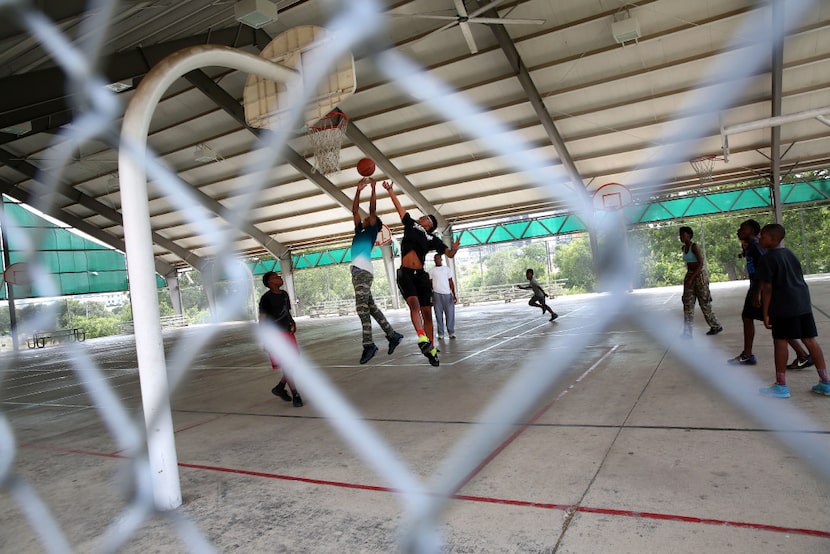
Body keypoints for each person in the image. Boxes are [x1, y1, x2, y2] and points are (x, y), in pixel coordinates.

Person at [382, 180, 460, 367]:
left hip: (421, 276)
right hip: (406, 273)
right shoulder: (410, 225)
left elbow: (448, 253)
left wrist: (455, 248)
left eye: (425, 217)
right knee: (414, 306)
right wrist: (391, 190)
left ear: (430, 224)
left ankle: (431, 349)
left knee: (427, 313)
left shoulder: (433, 238)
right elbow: (399, 208)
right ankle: (421, 338)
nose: (421, 217)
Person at [755, 223, 830, 398]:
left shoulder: (767, 259)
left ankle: (781, 385)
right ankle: (825, 382)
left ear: (773, 239)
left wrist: (766, 312)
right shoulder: (790, 254)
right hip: (802, 302)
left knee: (780, 342)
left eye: (763, 235)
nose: (760, 238)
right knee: (810, 340)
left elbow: (767, 288)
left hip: (784, 305)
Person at [350, 178, 404, 364]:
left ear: (374, 223)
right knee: (371, 308)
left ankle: (369, 345)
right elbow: (354, 210)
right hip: (358, 272)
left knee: (361, 308)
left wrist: (373, 189)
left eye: (368, 219)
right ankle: (392, 335)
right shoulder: (359, 232)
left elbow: (372, 211)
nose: (364, 218)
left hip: (363, 271)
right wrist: (358, 191)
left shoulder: (372, 230)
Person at [258, 271, 303, 407]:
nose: (279, 278)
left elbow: (286, 312)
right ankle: (295, 394)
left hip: (288, 334)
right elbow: (263, 320)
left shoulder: (284, 295)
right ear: (270, 282)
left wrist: (293, 323)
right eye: (276, 277)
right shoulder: (266, 299)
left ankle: (280, 387)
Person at [727, 219, 765, 364]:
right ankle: (747, 354)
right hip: (755, 287)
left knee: (777, 325)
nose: (739, 230)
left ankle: (803, 354)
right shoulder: (750, 246)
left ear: (753, 232)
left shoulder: (756, 246)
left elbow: (765, 268)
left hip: (760, 288)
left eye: (743, 228)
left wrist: (758, 293)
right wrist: (743, 252)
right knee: (747, 317)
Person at [678, 226, 722, 337]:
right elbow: (688, 265)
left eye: (683, 234)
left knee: (704, 303)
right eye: (680, 235)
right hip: (690, 275)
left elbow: (701, 264)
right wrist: (688, 279)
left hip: (699, 276)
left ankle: (715, 325)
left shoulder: (694, 246)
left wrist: (692, 278)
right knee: (687, 303)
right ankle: (687, 332)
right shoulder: (684, 248)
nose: (681, 237)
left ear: (689, 235)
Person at [429, 253, 457, 340]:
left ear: (441, 259)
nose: (437, 260)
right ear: (434, 260)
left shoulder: (446, 269)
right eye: (435, 259)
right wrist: (431, 295)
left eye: (438, 258)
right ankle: (440, 333)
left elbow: (450, 282)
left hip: (447, 294)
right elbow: (429, 284)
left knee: (450, 314)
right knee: (438, 315)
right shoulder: (431, 271)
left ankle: (451, 332)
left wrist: (454, 294)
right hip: (436, 295)